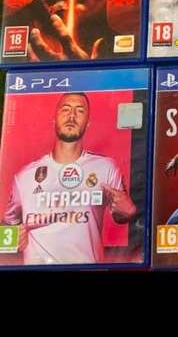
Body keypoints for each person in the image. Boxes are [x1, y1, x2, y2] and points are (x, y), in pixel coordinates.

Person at [3, 93, 136, 263]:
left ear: (88, 122)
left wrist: (128, 212)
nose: (71, 116)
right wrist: (14, 239)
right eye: (65, 109)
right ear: (54, 119)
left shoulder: (106, 167)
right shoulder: (24, 177)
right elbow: (8, 227)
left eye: (79, 111)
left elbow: (122, 215)